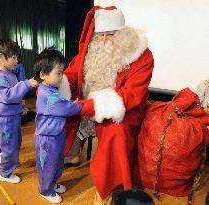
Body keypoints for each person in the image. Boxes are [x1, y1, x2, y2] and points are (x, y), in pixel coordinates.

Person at [61, 6, 154, 204]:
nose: (103, 40)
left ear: (124, 34)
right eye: (100, 34)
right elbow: (73, 72)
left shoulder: (142, 56)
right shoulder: (92, 49)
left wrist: (89, 106)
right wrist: (54, 85)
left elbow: (131, 95)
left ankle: (106, 188)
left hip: (123, 108)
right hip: (88, 105)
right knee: (59, 110)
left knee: (115, 133)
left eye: (110, 34)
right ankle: (71, 153)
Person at [33, 48, 93, 203]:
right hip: (47, 139)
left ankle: (53, 183)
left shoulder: (51, 89)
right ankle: (45, 190)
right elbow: (65, 108)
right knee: (47, 165)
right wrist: (81, 105)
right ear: (43, 75)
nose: (62, 76)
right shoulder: (47, 95)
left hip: (57, 134)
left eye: (62, 72)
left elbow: (63, 104)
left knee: (57, 162)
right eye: (58, 73)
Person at [0, 38, 37, 183]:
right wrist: (26, 83)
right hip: (5, 119)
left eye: (17, 57)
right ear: (1, 57)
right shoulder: (0, 77)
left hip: (11, 116)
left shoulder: (9, 74)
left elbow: (15, 98)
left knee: (13, 143)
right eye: (13, 57)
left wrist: (22, 107)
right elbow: (8, 96)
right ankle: (5, 173)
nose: (16, 61)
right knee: (10, 145)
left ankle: (7, 163)